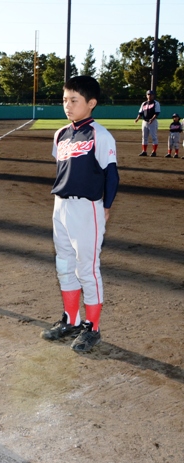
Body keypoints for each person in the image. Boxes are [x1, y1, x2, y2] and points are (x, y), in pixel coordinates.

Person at [40, 75, 119, 353]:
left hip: (87, 208)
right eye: (65, 100)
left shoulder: (100, 135)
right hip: (60, 205)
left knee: (87, 269)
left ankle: (92, 328)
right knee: (64, 264)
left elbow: (111, 175)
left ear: (91, 103)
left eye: (74, 100)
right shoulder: (61, 134)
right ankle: (71, 320)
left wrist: (106, 207)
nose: (68, 105)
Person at [134, 89, 160, 157]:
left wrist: (152, 119)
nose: (150, 96)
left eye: (151, 94)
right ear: (146, 95)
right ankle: (144, 151)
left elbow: (157, 113)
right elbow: (140, 112)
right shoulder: (144, 103)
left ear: (153, 96)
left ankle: (154, 152)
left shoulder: (156, 103)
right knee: (144, 137)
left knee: (154, 137)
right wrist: (137, 118)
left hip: (153, 122)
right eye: (148, 94)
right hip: (145, 122)